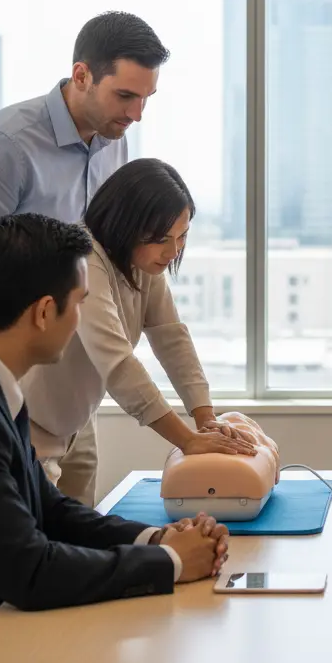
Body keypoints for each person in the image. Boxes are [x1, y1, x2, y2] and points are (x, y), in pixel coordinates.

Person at [0, 214, 229, 656]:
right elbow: (30, 570)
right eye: (79, 302)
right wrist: (171, 563)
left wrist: (158, 539)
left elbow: (52, 511)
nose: (83, 317)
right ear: (44, 312)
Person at [0, 11, 170, 504]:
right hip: (6, 376)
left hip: (70, 377)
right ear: (82, 76)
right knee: (14, 539)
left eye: (146, 99)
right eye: (125, 96)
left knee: (77, 517)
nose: (136, 114)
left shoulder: (115, 144)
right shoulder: (4, 144)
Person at [21, 159, 257, 501]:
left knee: (80, 532)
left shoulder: (142, 261)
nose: (173, 250)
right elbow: (117, 363)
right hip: (28, 424)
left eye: (182, 236)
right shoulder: (82, 259)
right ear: (125, 225)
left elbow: (171, 337)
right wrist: (187, 440)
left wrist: (205, 418)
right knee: (39, 542)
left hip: (76, 421)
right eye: (162, 238)